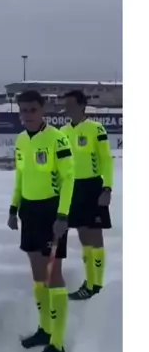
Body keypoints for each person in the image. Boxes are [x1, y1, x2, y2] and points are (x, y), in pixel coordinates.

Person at [8, 90, 75, 352]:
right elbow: (21, 176)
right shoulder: (21, 140)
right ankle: (45, 330)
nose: (27, 115)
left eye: (32, 110)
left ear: (42, 109)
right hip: (29, 212)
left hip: (52, 213)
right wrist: (13, 208)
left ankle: (57, 345)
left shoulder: (57, 139)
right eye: (23, 110)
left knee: (53, 275)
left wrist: (63, 215)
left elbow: (69, 178)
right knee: (38, 275)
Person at [62, 89, 113, 300]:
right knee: (83, 236)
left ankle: (96, 284)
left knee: (95, 236)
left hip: (92, 187)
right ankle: (89, 281)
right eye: (66, 105)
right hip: (73, 188)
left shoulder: (95, 129)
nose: (68, 108)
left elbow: (106, 160)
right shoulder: (63, 132)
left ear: (82, 106)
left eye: (72, 104)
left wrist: (107, 188)